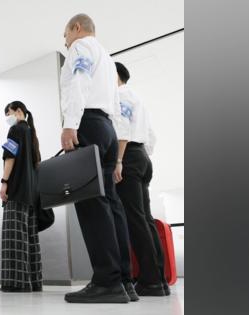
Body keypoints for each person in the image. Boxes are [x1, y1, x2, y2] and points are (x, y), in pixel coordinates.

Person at [59, 14, 137, 303]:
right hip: (106, 127)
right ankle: (125, 280)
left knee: (91, 203)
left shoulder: (81, 48)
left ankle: (106, 281)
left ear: (76, 28)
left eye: (65, 35)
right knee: (112, 204)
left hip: (87, 124)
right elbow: (115, 104)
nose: (65, 42)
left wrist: (70, 124)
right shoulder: (106, 56)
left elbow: (78, 82)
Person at [114, 62, 168, 296]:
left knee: (136, 221)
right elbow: (151, 137)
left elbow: (122, 128)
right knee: (145, 220)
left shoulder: (120, 95)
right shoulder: (138, 99)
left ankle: (150, 281)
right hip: (142, 157)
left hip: (129, 156)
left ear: (115, 76)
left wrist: (119, 160)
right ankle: (158, 279)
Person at [0, 101, 43, 293]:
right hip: (32, 194)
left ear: (19, 111)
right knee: (30, 238)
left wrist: (4, 181)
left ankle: (16, 283)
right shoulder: (32, 134)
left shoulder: (16, 130)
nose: (7, 118)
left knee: (14, 237)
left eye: (8, 113)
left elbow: (10, 156)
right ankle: (33, 282)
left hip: (16, 190)